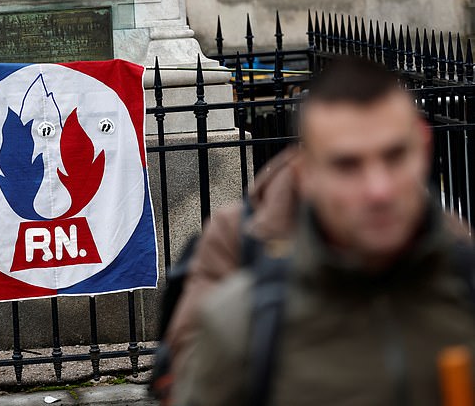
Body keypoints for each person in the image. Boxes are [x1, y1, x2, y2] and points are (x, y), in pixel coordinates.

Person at [171, 56, 474, 406]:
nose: (379, 190)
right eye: (347, 165)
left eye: (394, 156)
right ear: (305, 175)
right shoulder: (241, 321)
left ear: (422, 149)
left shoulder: (462, 274)